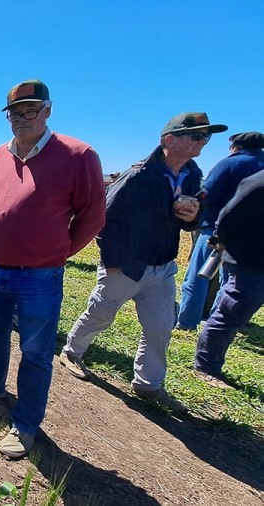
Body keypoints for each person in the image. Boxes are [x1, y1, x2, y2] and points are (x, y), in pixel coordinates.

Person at [0, 79, 106, 460]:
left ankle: (25, 425)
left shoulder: (77, 154)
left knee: (36, 351)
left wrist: (58, 251)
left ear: (48, 110)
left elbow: (93, 215)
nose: (21, 118)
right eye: (14, 113)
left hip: (40, 276)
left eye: (30, 110)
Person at [59, 112, 228, 414]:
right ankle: (72, 353)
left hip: (161, 265)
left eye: (206, 136)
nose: (203, 142)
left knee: (160, 326)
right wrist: (112, 261)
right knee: (101, 314)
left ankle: (148, 384)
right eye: (196, 135)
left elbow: (195, 215)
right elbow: (103, 218)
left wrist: (193, 218)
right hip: (125, 264)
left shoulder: (191, 174)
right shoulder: (138, 176)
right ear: (169, 140)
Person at [176, 132, 264, 330]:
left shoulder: (230, 164)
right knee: (230, 282)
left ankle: (187, 322)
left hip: (216, 229)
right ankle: (216, 322)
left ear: (236, 147)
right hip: (252, 238)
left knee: (197, 277)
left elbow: (206, 193)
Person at [193, 170, 264, 388]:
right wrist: (220, 238)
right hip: (251, 260)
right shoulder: (259, 181)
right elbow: (231, 213)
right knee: (232, 312)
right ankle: (206, 366)